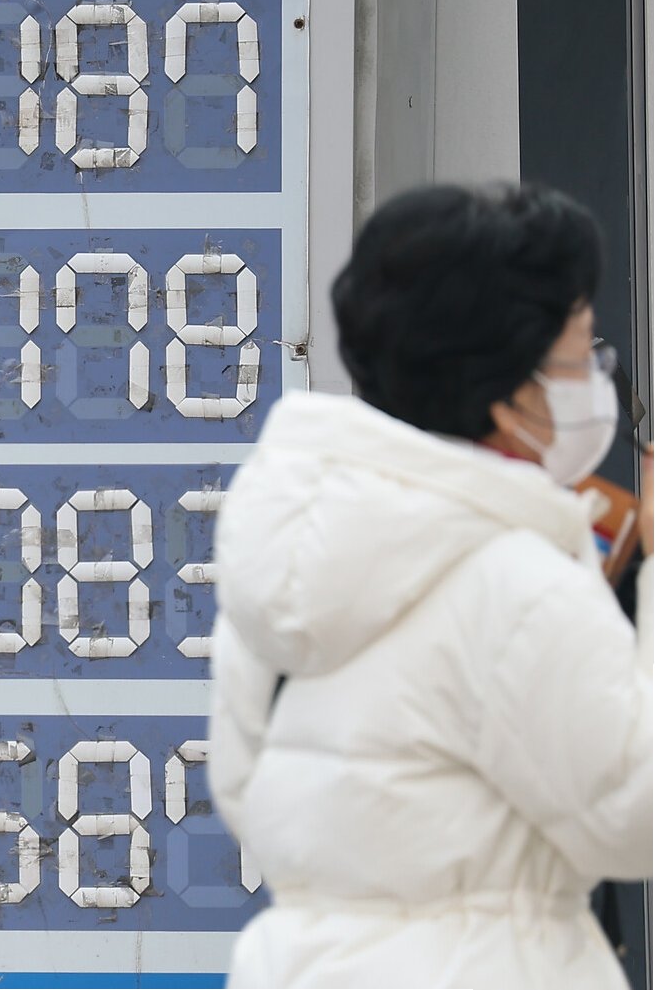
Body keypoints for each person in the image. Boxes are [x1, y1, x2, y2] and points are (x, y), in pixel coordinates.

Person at [209, 182, 652, 990]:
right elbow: (635, 815)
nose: (598, 375)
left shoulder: (292, 553)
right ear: (512, 391)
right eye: (581, 352)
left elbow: (247, 792)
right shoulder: (516, 578)